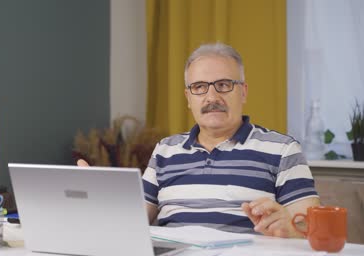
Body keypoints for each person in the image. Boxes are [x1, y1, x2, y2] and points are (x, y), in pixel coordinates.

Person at [79, 43, 319, 238]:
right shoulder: (165, 150)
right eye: (199, 87)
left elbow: (313, 225)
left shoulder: (283, 149)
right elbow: (132, 224)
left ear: (243, 91)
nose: (211, 97)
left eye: (224, 85)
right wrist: (101, 196)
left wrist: (290, 227)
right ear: (188, 97)